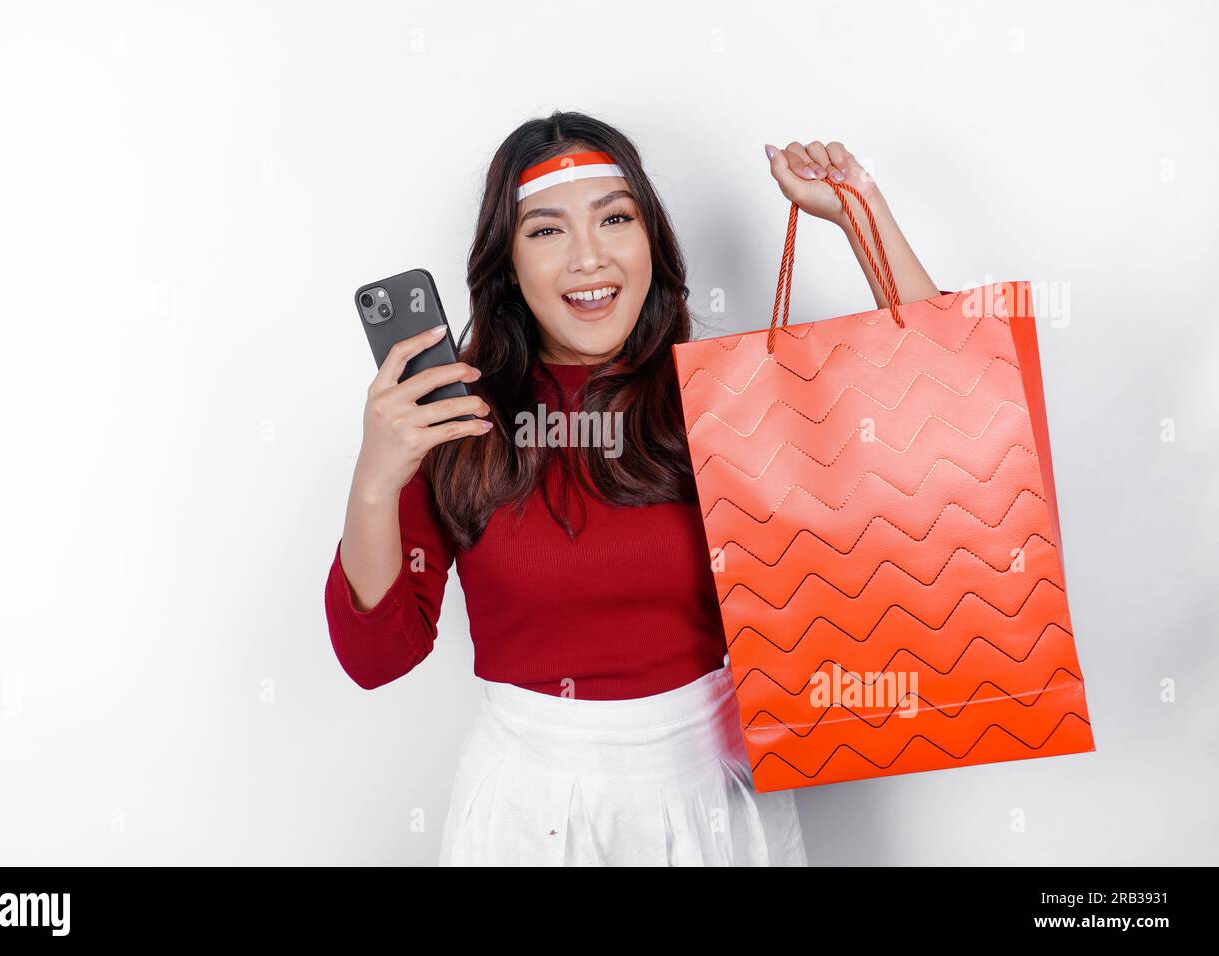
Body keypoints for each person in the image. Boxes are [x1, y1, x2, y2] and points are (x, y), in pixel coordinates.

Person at [325, 110, 940, 866]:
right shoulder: (455, 417)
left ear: (651, 240)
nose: (588, 257)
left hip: (717, 799)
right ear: (507, 265)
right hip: (528, 814)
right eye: (547, 230)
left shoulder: (729, 391)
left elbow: (941, 405)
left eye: (614, 219)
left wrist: (862, 217)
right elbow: (376, 657)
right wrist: (375, 477)